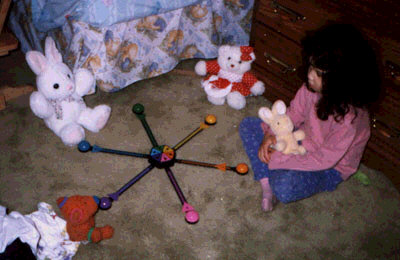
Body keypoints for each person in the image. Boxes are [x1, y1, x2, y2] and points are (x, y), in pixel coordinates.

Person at [239, 23, 381, 211]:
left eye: (319, 73)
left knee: (285, 188)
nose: (310, 75)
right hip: (303, 138)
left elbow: (324, 159)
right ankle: (266, 184)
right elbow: (294, 114)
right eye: (311, 66)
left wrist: (281, 157)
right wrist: (270, 134)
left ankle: (271, 178)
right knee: (249, 125)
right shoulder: (311, 88)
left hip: (330, 166)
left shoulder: (349, 121)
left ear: (343, 80)